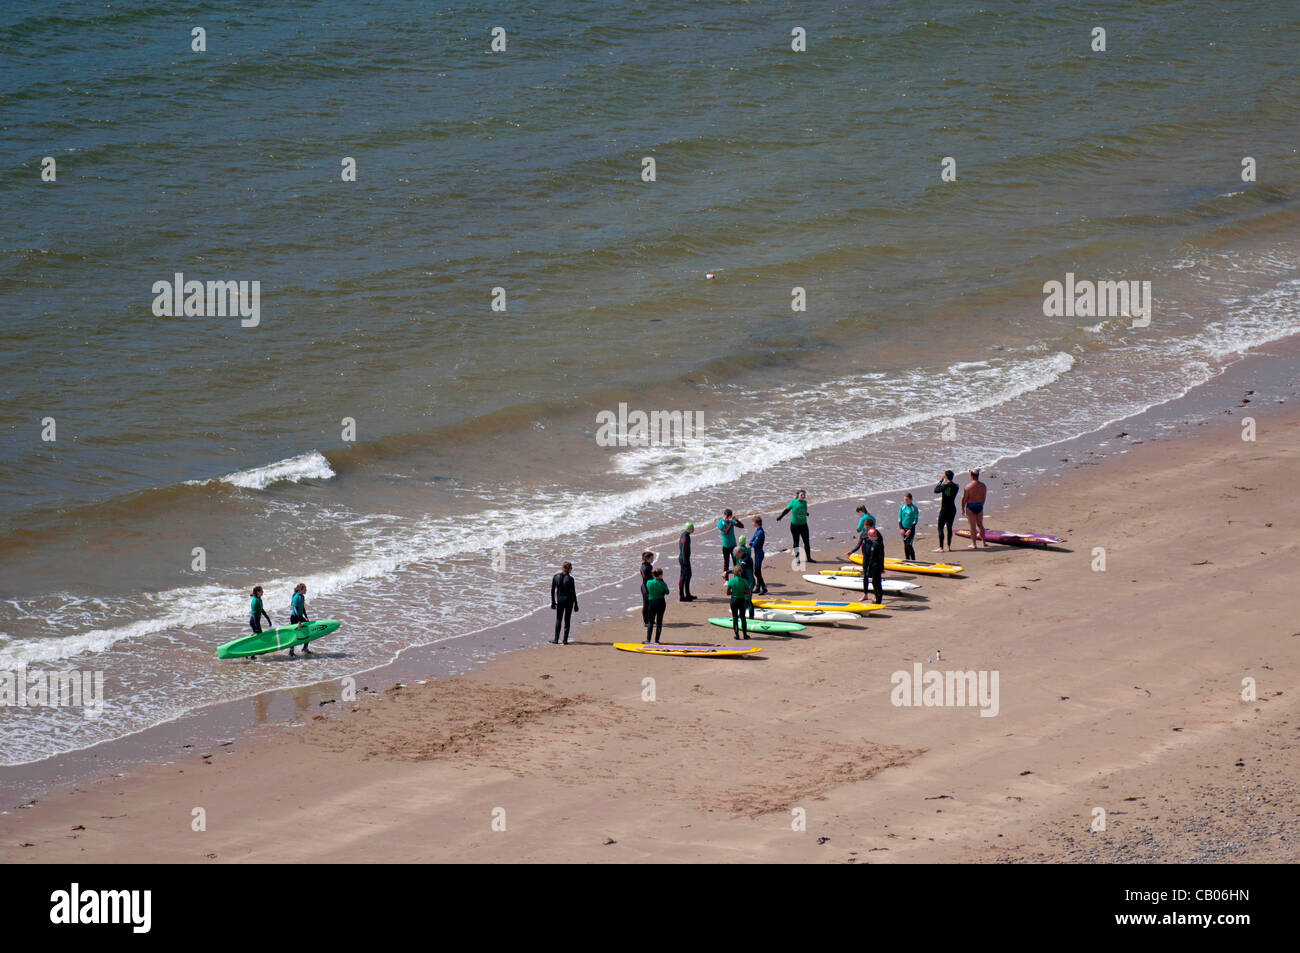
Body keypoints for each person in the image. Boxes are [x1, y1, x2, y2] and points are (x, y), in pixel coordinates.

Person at [846, 518, 885, 604]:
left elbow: (881, 550)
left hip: (873, 559)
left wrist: (881, 565)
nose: (866, 529)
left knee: (875, 578)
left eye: (866, 527)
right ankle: (865, 594)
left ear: (871, 526)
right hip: (866, 558)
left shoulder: (876, 534)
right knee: (865, 576)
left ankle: (875, 595)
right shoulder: (864, 533)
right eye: (865, 527)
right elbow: (859, 544)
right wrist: (852, 551)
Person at [777, 489, 812, 563]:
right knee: (796, 542)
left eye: (804, 495)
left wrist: (806, 514)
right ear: (798, 495)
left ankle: (809, 558)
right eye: (801, 495)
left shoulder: (805, 502)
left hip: (804, 525)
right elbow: (787, 510)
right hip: (795, 526)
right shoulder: (793, 502)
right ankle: (797, 558)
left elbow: (802, 510)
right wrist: (780, 517)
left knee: (806, 542)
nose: (803, 496)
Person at [550, 562, 579, 644]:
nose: (571, 570)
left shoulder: (555, 577)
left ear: (563, 568)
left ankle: (556, 640)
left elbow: (552, 590)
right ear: (569, 569)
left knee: (558, 619)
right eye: (571, 568)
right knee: (567, 620)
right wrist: (576, 604)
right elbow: (573, 592)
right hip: (569, 601)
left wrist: (553, 602)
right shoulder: (570, 579)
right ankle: (565, 640)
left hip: (560, 600)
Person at [933, 470, 960, 552]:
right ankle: (948, 546)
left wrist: (940, 481)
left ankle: (941, 547)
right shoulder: (956, 486)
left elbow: (936, 490)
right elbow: (950, 489)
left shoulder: (945, 486)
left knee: (940, 527)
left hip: (945, 509)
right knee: (949, 527)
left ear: (946, 477)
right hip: (952, 508)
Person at [962, 469, 988, 549]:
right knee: (980, 525)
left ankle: (974, 544)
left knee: (972, 526)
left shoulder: (968, 487)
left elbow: (964, 499)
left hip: (971, 506)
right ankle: (983, 542)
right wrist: (981, 505)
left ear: (972, 476)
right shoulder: (983, 485)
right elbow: (984, 497)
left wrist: (962, 508)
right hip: (980, 505)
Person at [724, 567, 753, 640]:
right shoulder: (744, 581)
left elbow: (727, 593)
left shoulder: (731, 581)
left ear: (734, 573)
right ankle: (745, 635)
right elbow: (748, 592)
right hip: (742, 600)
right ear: (741, 572)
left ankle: (737, 635)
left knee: (735, 618)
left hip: (733, 600)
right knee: (743, 618)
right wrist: (742, 592)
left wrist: (733, 592)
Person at [644, 568, 669, 643]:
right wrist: (662, 582)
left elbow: (647, 590)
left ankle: (648, 639)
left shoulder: (648, 582)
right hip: (660, 602)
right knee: (659, 621)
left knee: (651, 622)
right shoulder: (662, 583)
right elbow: (667, 592)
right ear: (660, 575)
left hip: (651, 602)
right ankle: (656, 640)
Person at [716, 509, 744, 577]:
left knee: (736, 562)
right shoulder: (720, 523)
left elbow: (742, 526)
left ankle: (736, 577)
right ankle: (726, 580)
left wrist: (736, 520)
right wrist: (731, 524)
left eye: (728, 518)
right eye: (725, 517)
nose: (727, 519)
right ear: (724, 515)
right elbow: (725, 532)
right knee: (726, 563)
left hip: (733, 546)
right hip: (725, 546)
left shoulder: (731, 521)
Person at [287, 582, 312, 658]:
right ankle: (291, 652)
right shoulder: (296, 597)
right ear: (301, 589)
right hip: (295, 617)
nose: (306, 590)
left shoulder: (302, 597)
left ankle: (305, 648)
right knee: (295, 634)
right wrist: (299, 621)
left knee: (308, 630)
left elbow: (302, 607)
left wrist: (306, 617)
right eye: (305, 589)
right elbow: (295, 608)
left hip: (300, 617)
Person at [733, 543, 756, 618]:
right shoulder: (741, 557)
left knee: (748, 600)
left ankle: (751, 617)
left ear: (740, 552)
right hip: (744, 583)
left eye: (737, 555)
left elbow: (738, 570)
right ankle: (741, 615)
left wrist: (749, 586)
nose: (736, 557)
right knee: (743, 600)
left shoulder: (747, 559)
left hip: (749, 583)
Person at [678, 522, 696, 601]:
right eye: (692, 528)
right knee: (684, 576)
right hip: (684, 559)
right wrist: (686, 563)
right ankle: (682, 596)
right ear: (689, 529)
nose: (693, 529)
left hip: (682, 558)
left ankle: (687, 594)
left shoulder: (683, 534)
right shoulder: (686, 538)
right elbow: (684, 551)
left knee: (687, 576)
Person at [898, 493, 919, 562]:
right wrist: (901, 528)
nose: (905, 501)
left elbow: (915, 520)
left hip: (911, 529)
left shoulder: (914, 508)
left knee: (909, 545)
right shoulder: (902, 507)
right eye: (904, 499)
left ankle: (913, 560)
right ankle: (907, 559)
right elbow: (899, 519)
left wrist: (910, 529)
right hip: (903, 529)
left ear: (911, 499)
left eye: (907, 499)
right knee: (905, 545)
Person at [751, 516, 768, 595]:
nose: (752, 523)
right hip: (757, 553)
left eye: (753, 522)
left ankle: (763, 587)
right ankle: (758, 587)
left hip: (759, 553)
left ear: (757, 523)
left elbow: (755, 542)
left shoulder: (760, 532)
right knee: (757, 571)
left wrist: (751, 545)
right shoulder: (757, 531)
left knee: (757, 571)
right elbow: (752, 539)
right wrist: (750, 543)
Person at [639, 550, 655, 628]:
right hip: (646, 588)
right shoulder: (646, 568)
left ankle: (650, 619)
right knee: (646, 605)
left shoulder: (645, 565)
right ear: (647, 559)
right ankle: (646, 621)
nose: (653, 560)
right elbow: (648, 579)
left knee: (650, 604)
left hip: (645, 586)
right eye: (651, 558)